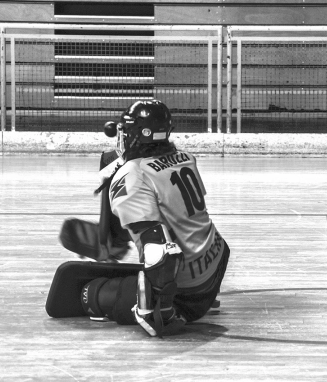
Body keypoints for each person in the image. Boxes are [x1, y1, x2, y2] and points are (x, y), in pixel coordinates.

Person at [78, 99, 230, 337]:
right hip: (214, 266)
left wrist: (157, 311)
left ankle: (163, 306)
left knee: (90, 293)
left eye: (126, 130)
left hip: (185, 292)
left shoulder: (133, 174)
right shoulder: (186, 158)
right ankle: (113, 243)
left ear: (136, 134)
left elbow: (159, 249)